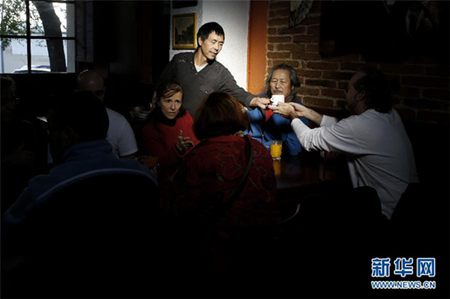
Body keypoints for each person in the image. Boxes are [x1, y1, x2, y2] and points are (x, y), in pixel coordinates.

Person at [277, 66, 418, 219]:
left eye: (348, 88)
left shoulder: (361, 125)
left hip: (382, 213)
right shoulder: (389, 114)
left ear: (361, 95)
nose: (345, 93)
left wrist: (292, 116)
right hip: (407, 207)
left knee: (313, 208)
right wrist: (309, 113)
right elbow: (345, 129)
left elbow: (309, 140)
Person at [166, 91, 279, 276]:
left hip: (218, 250)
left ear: (204, 120)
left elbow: (182, 207)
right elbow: (270, 195)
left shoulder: (199, 155)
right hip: (260, 244)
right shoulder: (257, 149)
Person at [3, 91, 157, 226]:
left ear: (67, 135)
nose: (49, 138)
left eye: (51, 130)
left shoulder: (44, 190)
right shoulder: (144, 177)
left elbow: (8, 236)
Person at [157, 22, 270, 115]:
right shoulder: (180, 61)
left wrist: (255, 100)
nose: (217, 48)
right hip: (170, 123)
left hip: (198, 131)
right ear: (200, 40)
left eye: (221, 44)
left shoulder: (220, 72)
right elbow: (161, 86)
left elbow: (237, 91)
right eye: (213, 42)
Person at [246, 63, 310, 156]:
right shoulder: (259, 102)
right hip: (254, 157)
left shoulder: (299, 112)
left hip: (283, 161)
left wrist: (288, 116)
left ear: (292, 86)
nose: (277, 86)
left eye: (283, 82)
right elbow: (248, 136)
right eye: (274, 81)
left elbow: (294, 150)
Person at [141, 82, 199, 181]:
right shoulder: (150, 128)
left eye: (177, 101)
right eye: (168, 101)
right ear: (159, 102)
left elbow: (196, 145)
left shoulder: (185, 117)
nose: (173, 107)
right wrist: (177, 150)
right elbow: (159, 163)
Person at [77, 70, 138, 159]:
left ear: (104, 92)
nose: (94, 99)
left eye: (99, 93)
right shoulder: (65, 123)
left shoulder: (119, 122)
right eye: (88, 94)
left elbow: (130, 161)